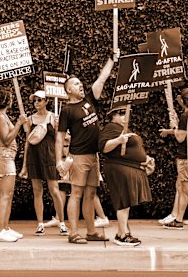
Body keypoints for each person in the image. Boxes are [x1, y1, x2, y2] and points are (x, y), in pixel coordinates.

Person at [55, 49, 118, 244]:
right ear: (68, 90)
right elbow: (59, 137)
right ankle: (73, 233)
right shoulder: (66, 110)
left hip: (93, 156)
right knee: (76, 194)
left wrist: (111, 60)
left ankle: (91, 231)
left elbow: (101, 79)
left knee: (91, 194)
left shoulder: (90, 100)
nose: (80, 85)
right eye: (75, 83)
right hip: (78, 157)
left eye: (80, 83)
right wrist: (59, 159)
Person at [99, 106, 153, 246]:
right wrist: (118, 140)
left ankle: (120, 233)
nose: (125, 116)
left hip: (126, 167)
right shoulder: (111, 127)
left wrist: (145, 159)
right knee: (123, 200)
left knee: (126, 201)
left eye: (126, 113)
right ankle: (123, 235)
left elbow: (131, 151)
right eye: (121, 113)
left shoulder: (122, 128)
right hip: (118, 168)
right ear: (113, 116)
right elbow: (104, 147)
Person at [20, 90, 68, 236]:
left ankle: (62, 222)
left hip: (50, 156)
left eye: (39, 100)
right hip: (34, 157)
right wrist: (24, 165)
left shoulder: (54, 117)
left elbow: (61, 139)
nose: (36, 103)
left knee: (54, 190)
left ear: (47, 101)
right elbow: (27, 142)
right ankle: (40, 224)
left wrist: (60, 159)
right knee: (37, 191)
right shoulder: (29, 119)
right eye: (34, 100)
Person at [159, 88, 188, 230]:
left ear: (183, 101)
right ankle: (178, 220)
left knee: (187, 187)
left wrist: (174, 127)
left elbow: (180, 136)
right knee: (183, 187)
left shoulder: (186, 116)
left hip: (185, 156)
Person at [0, 88, 27, 242]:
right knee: (5, 195)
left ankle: (5, 228)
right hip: (3, 156)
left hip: (6, 157)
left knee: (8, 195)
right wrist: (18, 124)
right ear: (6, 101)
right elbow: (6, 139)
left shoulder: (1, 115)